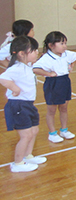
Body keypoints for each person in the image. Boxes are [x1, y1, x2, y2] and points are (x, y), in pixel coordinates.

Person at [0, 36, 47, 172]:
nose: (36, 52)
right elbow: (3, 78)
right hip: (18, 105)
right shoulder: (17, 67)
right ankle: (18, 163)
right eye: (33, 50)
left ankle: (28, 156)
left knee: (34, 130)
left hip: (27, 104)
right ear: (22, 54)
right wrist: (15, 89)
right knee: (25, 135)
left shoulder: (26, 66)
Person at [32, 31, 76, 143]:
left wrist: (71, 66)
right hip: (53, 83)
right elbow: (35, 68)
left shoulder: (67, 54)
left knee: (64, 107)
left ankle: (64, 130)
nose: (65, 46)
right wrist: (48, 74)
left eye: (65, 43)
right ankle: (52, 133)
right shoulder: (46, 58)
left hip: (65, 81)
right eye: (61, 43)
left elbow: (75, 56)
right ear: (51, 45)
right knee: (51, 110)